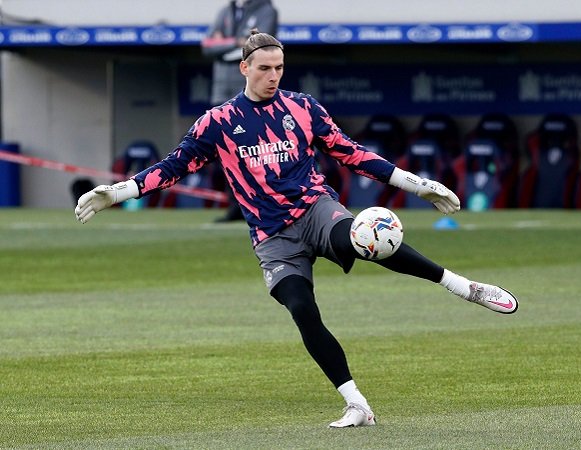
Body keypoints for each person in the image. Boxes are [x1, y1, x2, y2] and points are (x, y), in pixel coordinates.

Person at [75, 30, 519, 428]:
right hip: (272, 237)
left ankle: (463, 286)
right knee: (302, 309)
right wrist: (117, 192)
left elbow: (351, 152)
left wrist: (416, 184)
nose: (273, 76)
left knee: (368, 238)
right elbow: (174, 166)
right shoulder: (218, 122)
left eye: (279, 67)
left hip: (315, 210)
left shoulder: (302, 108)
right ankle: (357, 404)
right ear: (244, 68)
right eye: (264, 68)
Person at [202, 0, 279, 222]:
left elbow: (259, 47)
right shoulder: (225, 11)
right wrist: (236, 44)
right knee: (226, 149)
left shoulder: (266, 10)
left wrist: (224, 45)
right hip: (221, 91)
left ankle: (265, 204)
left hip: (250, 91)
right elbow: (207, 46)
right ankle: (237, 205)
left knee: (258, 148)